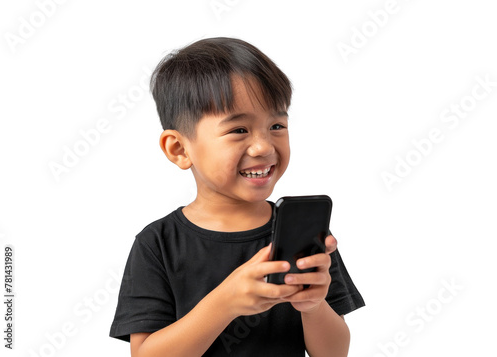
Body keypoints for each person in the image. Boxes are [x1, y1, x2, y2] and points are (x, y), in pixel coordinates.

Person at [109, 37, 365, 356]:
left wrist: (313, 307)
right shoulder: (158, 243)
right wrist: (225, 302)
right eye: (239, 130)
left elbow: (334, 353)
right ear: (179, 149)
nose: (263, 147)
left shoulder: (304, 236)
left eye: (276, 125)